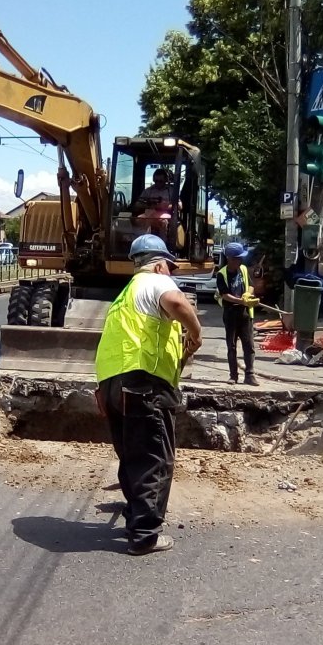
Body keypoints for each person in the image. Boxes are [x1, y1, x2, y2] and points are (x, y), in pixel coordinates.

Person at [95, 233, 203, 555]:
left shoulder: (124, 297)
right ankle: (145, 536)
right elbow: (178, 303)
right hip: (144, 384)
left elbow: (111, 346)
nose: (171, 273)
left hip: (114, 384)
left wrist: (104, 390)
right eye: (170, 267)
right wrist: (195, 335)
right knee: (155, 458)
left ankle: (134, 515)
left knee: (132, 456)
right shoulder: (154, 282)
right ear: (158, 265)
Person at [215, 242, 259, 385]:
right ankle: (233, 375)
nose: (240, 261)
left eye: (241, 258)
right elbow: (224, 294)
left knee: (249, 345)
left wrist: (247, 294)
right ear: (230, 258)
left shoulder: (244, 269)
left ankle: (250, 375)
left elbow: (251, 285)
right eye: (237, 258)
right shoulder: (222, 274)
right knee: (232, 346)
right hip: (230, 313)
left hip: (245, 314)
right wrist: (241, 301)